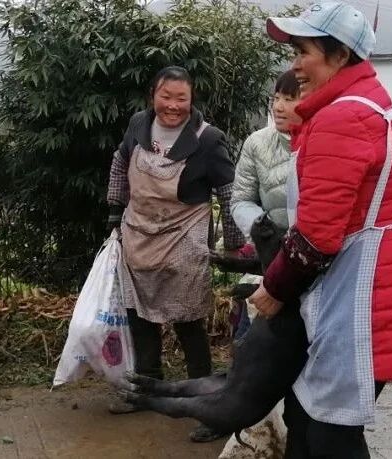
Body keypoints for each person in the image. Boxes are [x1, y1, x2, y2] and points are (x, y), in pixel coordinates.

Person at [248, 3, 392, 457]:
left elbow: (316, 238)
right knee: (307, 417)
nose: (295, 64)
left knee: (329, 432)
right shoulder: (362, 105)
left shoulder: (343, 118)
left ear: (340, 55)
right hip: (366, 289)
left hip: (361, 300)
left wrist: (274, 288)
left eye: (304, 51)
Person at [106, 65, 245, 443]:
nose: (173, 105)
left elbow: (228, 191)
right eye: (166, 96)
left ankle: (206, 399)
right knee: (139, 315)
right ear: (153, 95)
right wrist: (115, 212)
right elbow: (120, 161)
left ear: (191, 99)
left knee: (187, 319)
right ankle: (146, 389)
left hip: (184, 237)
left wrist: (233, 242)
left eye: (181, 98)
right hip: (139, 233)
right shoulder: (138, 125)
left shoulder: (208, 139)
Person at [227, 69, 302, 341]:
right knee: (258, 340)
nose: (278, 107)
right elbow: (241, 199)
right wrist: (263, 229)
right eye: (276, 98)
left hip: (313, 258)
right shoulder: (257, 143)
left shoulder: (325, 143)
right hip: (273, 256)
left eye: (290, 99)